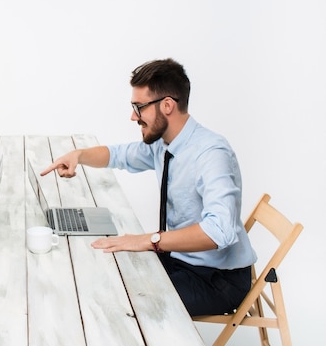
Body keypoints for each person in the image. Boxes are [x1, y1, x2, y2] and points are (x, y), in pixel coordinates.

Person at [41, 58, 256, 316]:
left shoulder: (211, 153)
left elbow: (219, 232)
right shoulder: (163, 143)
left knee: (119, 304)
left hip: (216, 279)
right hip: (179, 260)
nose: (133, 116)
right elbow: (119, 155)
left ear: (167, 105)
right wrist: (79, 155)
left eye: (139, 107)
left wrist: (149, 240)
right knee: (102, 274)